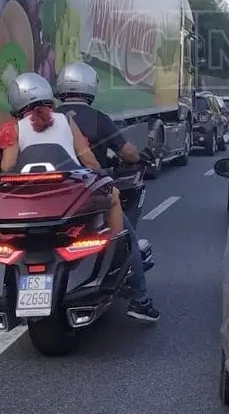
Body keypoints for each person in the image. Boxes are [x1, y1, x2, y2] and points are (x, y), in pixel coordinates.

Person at [54, 61, 161, 323]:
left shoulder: (50, 118)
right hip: (88, 193)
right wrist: (138, 156)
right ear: (90, 86)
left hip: (51, 195)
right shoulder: (98, 119)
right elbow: (126, 152)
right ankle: (140, 299)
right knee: (127, 237)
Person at [0, 72, 123, 235]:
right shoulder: (66, 120)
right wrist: (103, 174)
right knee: (114, 196)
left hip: (29, 194)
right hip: (67, 191)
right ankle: (117, 245)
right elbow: (90, 162)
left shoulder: (14, 128)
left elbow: (7, 167)